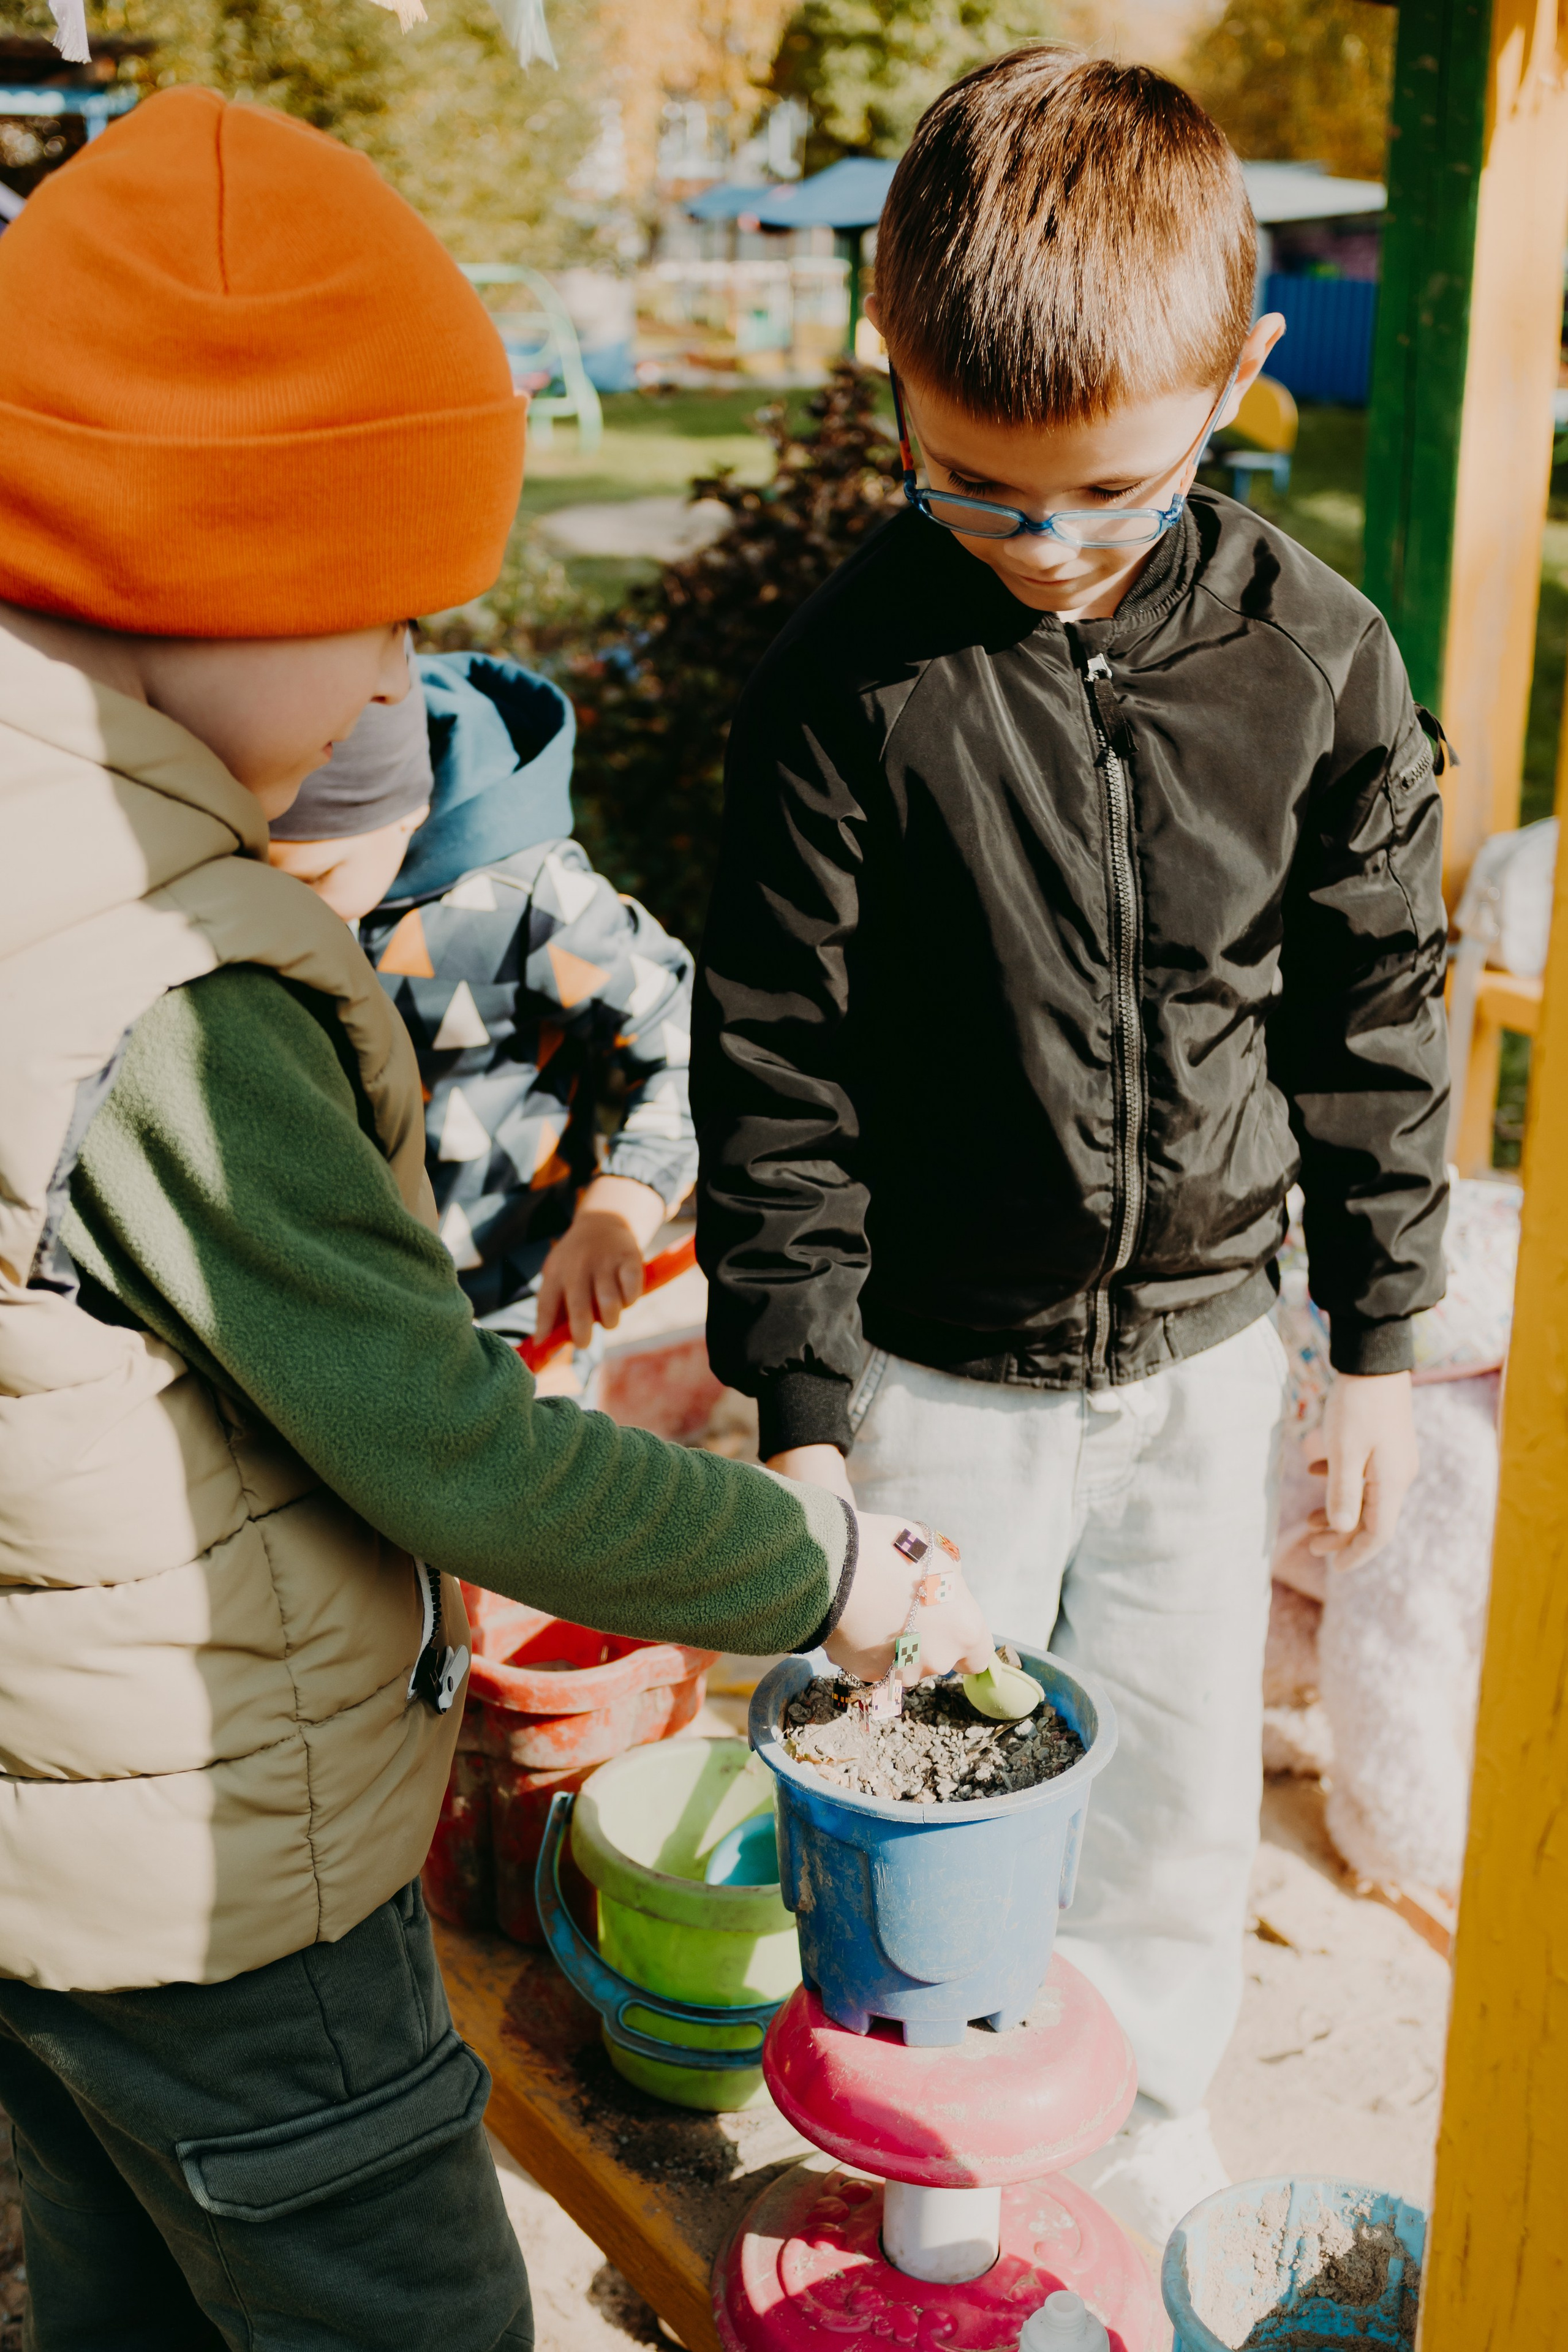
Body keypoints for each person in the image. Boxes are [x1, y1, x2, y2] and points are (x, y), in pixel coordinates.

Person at [0, 89, 990, 2352]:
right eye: (373, 617)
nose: (387, 692)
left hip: (42, 1868)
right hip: (222, 1893)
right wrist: (819, 1572)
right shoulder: (169, 979)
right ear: (201, 560)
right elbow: (447, 1448)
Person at [693, 47, 1447, 2241]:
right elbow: (778, 1062)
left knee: (1172, 1774)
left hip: (1205, 1354)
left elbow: (1371, 1017)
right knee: (905, 1762)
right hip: (935, 1371)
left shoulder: (1314, 664)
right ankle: (902, 2119)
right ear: (892, 380)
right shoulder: (848, 686)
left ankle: (1136, 2115)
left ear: (1233, 373)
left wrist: (1375, 1337)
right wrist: (805, 1409)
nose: (1038, 552)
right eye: (971, 492)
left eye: (1100, 500)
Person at [270, 649, 695, 1393]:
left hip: (515, 1311)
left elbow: (693, 1048)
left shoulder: (527, 900)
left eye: (314, 880)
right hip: (329, 1314)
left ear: (404, 811)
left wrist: (621, 1205)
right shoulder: (253, 895)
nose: (292, 909)